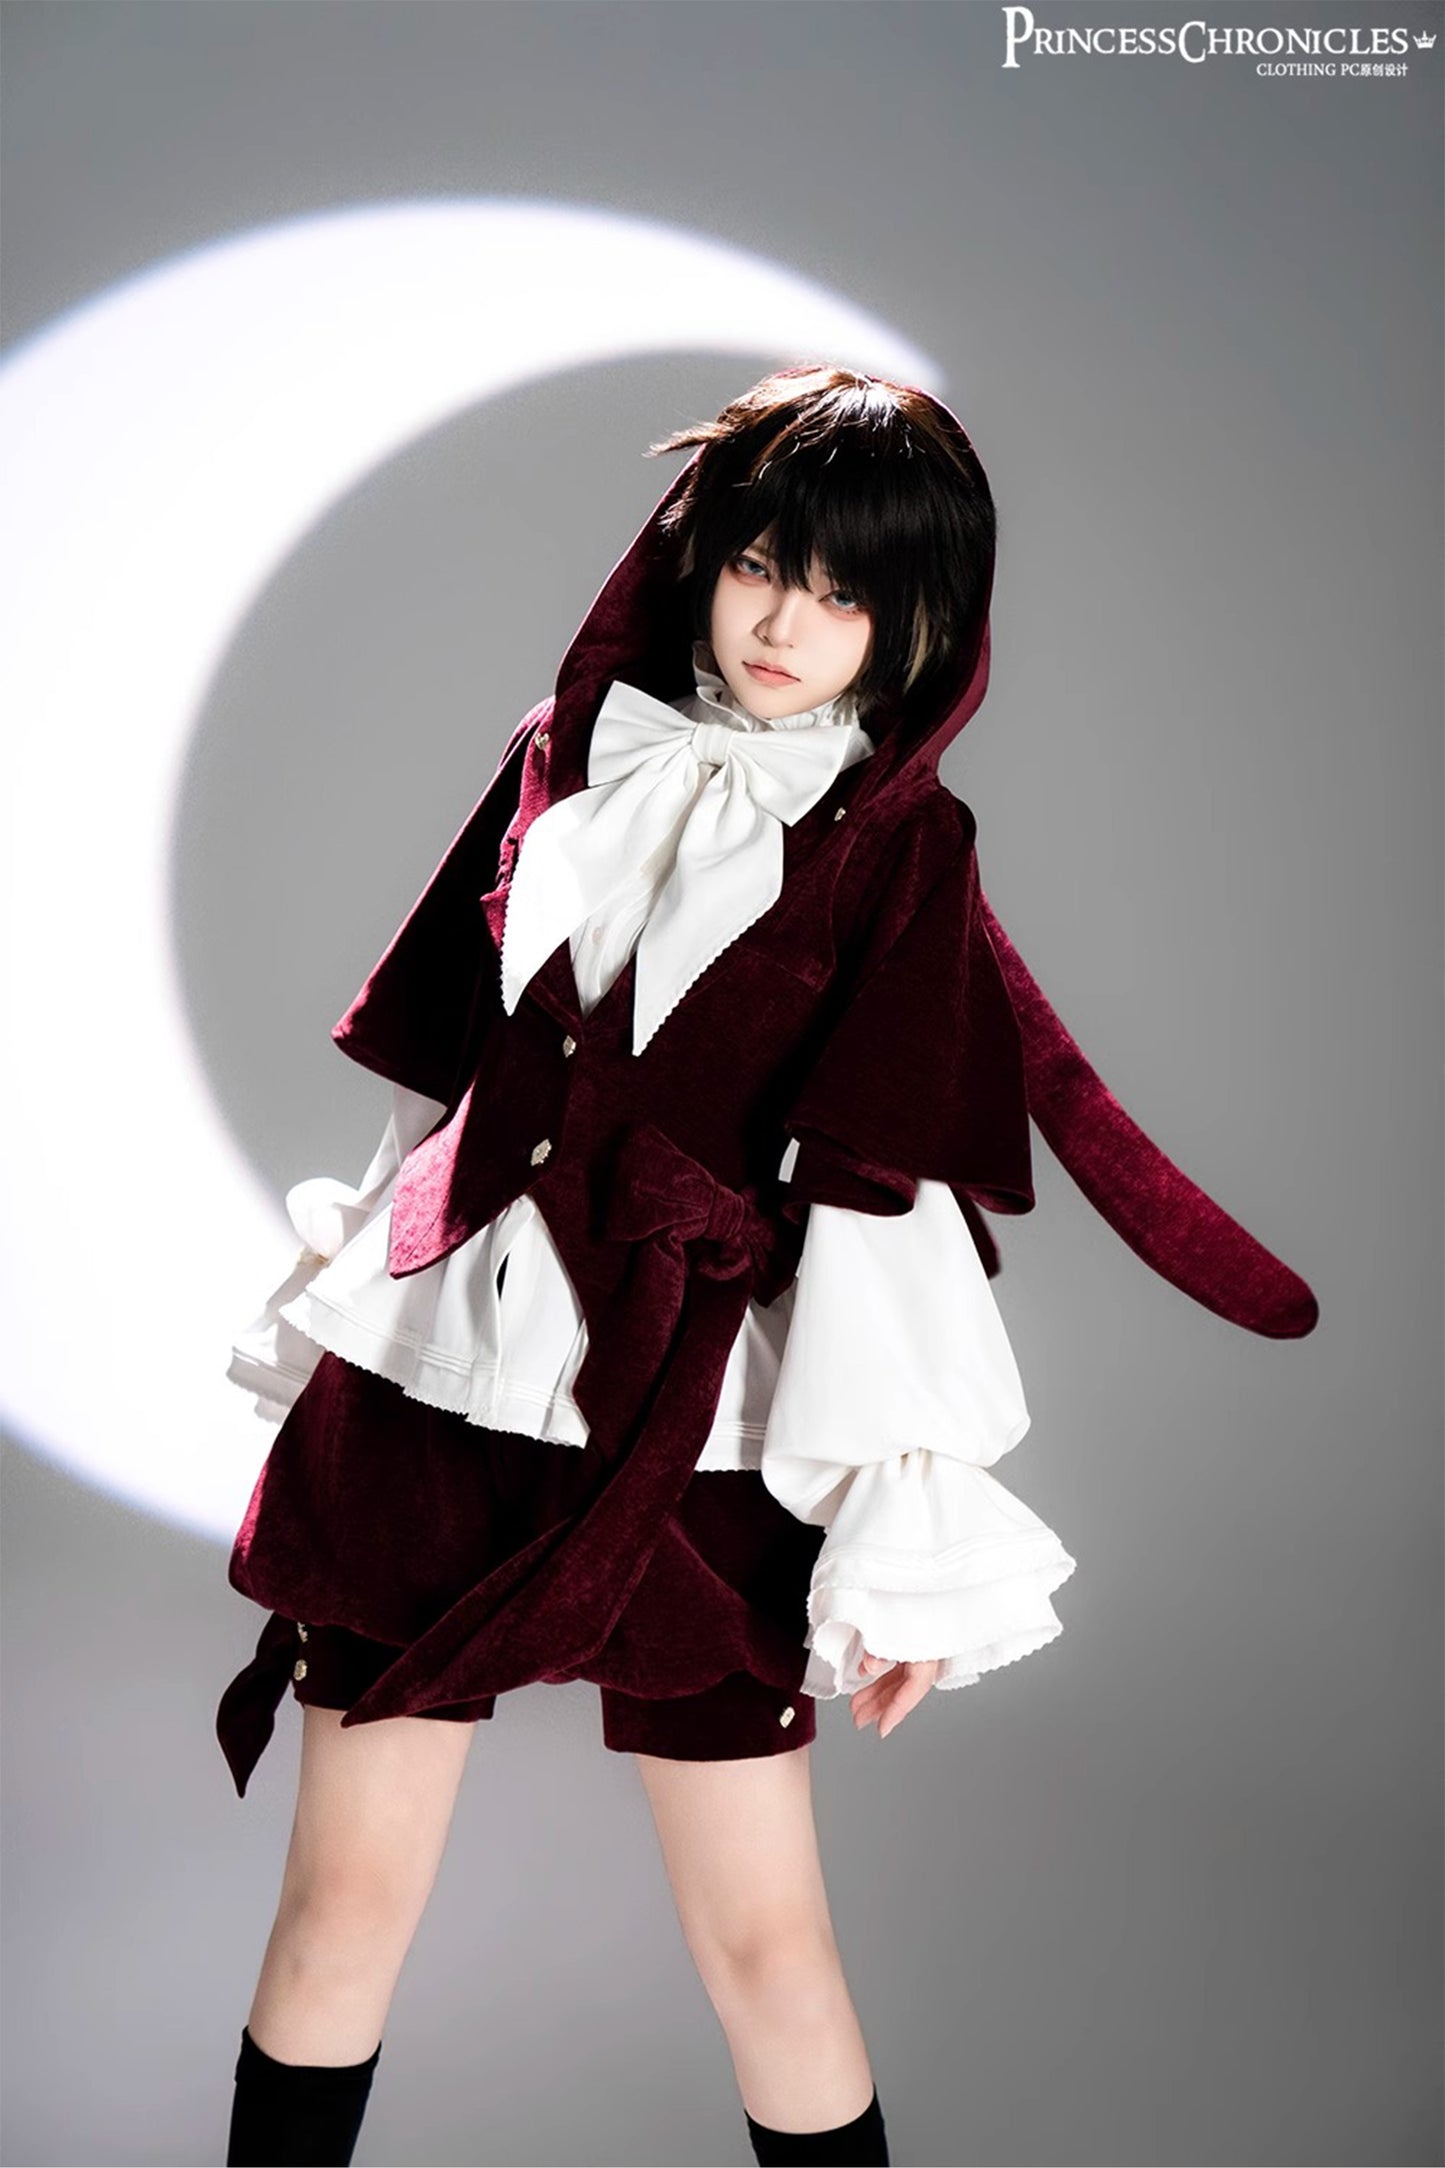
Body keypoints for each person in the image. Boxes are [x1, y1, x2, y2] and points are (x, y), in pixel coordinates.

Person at [215, 363, 1317, 2168]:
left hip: (691, 1428)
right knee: (340, 1915)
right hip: (439, 1387)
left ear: (913, 624)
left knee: (768, 1953)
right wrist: (356, 1298)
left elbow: (881, 1198)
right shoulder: (561, 750)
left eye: (842, 594)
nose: (785, 624)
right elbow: (454, 1079)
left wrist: (900, 1522)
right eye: (758, 568)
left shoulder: (902, 853)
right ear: (699, 558)